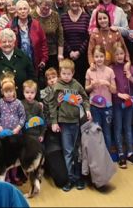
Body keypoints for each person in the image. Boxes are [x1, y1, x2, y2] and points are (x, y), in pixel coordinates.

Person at [0, 28, 36, 136]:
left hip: (21, 104)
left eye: (10, 41)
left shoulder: (23, 57)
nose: (7, 44)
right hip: (0, 106)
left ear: (14, 41)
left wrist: (35, 98)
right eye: (3, 41)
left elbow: (32, 79)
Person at [50, 59, 91, 192]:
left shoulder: (77, 85)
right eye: (63, 73)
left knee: (77, 151)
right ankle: (69, 178)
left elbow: (85, 98)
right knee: (67, 151)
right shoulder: (56, 86)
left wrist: (87, 109)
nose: (66, 76)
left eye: (69, 74)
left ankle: (78, 177)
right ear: (60, 73)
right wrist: (54, 122)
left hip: (76, 122)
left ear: (73, 73)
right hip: (64, 123)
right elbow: (51, 105)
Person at [111, 42, 133, 168]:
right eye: (117, 54)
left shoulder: (130, 68)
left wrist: (131, 77)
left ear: (125, 54)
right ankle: (121, 154)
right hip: (117, 103)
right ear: (113, 55)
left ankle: (130, 153)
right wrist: (119, 95)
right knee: (118, 128)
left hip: (128, 103)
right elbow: (110, 89)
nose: (119, 56)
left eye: (121, 53)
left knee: (128, 128)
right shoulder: (111, 69)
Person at [85, 45, 116, 150]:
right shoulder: (89, 71)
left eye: (101, 56)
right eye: (96, 56)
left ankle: (107, 157)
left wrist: (107, 83)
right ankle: (98, 156)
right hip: (95, 107)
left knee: (107, 132)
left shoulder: (110, 71)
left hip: (107, 107)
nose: (99, 59)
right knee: (97, 131)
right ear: (93, 58)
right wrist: (91, 86)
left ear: (105, 57)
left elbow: (114, 90)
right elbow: (86, 89)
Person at [8, 0, 48, 75]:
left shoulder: (36, 24)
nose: (23, 11)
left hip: (34, 62)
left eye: (25, 8)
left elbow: (43, 43)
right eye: (20, 9)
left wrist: (43, 59)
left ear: (28, 10)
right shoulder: (10, 26)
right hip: (16, 63)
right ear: (16, 11)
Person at [61, 0, 91, 84]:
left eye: (77, 1)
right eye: (72, 1)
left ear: (80, 2)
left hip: (83, 56)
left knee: (82, 80)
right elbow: (62, 37)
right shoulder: (63, 17)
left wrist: (79, 52)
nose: (74, 3)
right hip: (68, 55)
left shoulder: (86, 17)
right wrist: (70, 51)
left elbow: (88, 36)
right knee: (67, 80)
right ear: (68, 3)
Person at [33, 0, 64, 72]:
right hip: (37, 53)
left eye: (49, 5)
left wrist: (60, 54)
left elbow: (60, 35)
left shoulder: (55, 15)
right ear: (39, 4)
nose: (47, 7)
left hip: (53, 53)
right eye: (45, 5)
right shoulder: (32, 15)